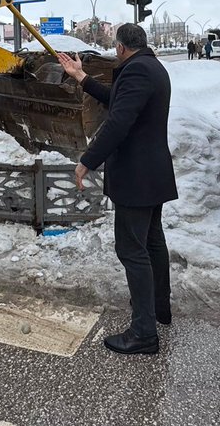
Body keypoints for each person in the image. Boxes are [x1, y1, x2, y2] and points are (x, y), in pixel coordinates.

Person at [57, 23, 177, 355]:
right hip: (152, 174)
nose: (114, 52)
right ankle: (159, 309)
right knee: (152, 242)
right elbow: (117, 100)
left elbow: (119, 121)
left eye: (115, 48)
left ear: (121, 47)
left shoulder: (137, 71)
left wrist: (87, 160)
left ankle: (143, 333)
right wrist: (81, 76)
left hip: (137, 178)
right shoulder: (151, 67)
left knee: (131, 250)